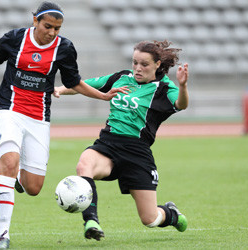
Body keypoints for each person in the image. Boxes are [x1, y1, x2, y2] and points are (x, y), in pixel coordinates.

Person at [0, 1, 128, 248]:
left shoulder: (65, 48)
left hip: (38, 118)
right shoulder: (14, 39)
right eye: (48, 26)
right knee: (9, 162)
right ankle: (3, 236)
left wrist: (101, 96)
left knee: (34, 188)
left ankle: (18, 178)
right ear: (35, 19)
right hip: (8, 110)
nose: (52, 32)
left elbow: (74, 81)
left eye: (57, 28)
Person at [54, 40, 189, 241]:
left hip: (137, 153)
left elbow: (181, 104)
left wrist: (183, 85)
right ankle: (91, 221)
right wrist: (61, 89)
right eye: (135, 62)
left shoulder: (163, 88)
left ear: (157, 64)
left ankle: (171, 214)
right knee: (85, 165)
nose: (137, 68)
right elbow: (86, 85)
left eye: (144, 64)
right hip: (108, 144)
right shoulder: (121, 77)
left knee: (150, 219)